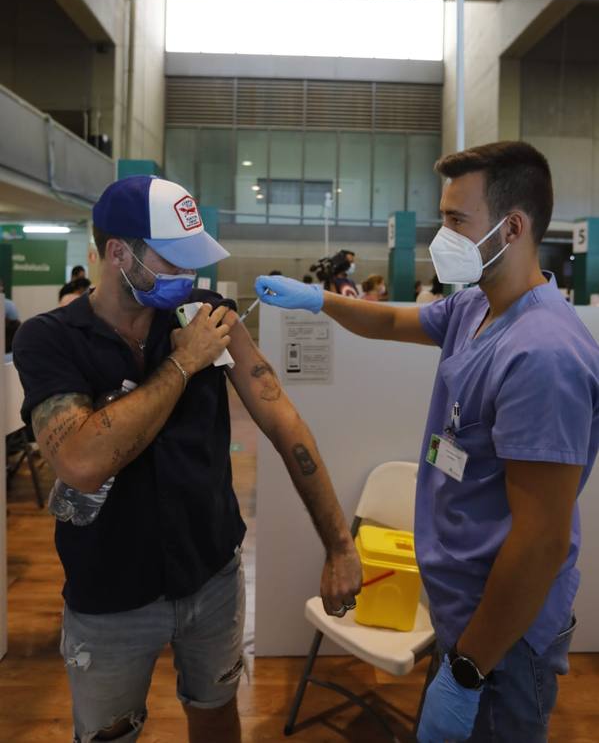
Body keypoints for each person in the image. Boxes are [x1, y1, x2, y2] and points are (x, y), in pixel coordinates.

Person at [255, 140, 599, 742]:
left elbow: (541, 543)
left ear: (512, 227)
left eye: (456, 221)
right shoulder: (475, 307)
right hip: (462, 607)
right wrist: (317, 299)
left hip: (505, 635)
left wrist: (467, 671)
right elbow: (390, 320)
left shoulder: (543, 354)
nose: (442, 238)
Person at [13, 175, 361, 743]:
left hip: (212, 577)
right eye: (173, 262)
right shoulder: (49, 340)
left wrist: (339, 544)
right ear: (119, 253)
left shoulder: (206, 316)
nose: (190, 278)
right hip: (110, 595)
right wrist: (183, 365)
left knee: (218, 711)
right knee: (108, 732)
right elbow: (80, 461)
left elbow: (283, 421)